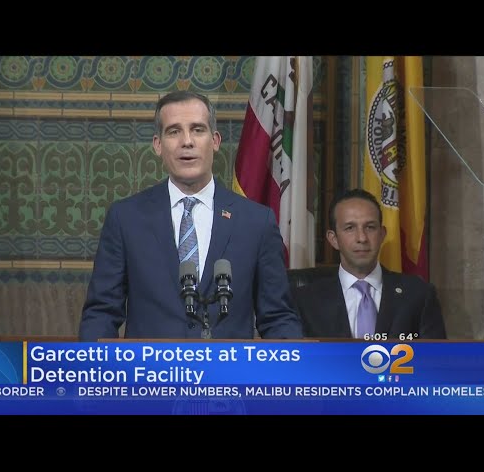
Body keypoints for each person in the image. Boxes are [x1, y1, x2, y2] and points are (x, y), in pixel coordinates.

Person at [80, 90, 303, 340]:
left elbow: (278, 318)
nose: (187, 141)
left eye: (197, 130)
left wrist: (294, 361)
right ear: (158, 145)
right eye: (174, 131)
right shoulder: (126, 218)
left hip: (227, 366)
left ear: (215, 140)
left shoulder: (256, 222)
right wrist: (94, 361)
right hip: (151, 365)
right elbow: (101, 314)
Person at [294, 188, 446, 339]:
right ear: (333, 239)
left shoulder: (419, 295)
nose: (362, 238)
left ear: (382, 234)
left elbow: (436, 354)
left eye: (370, 227)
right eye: (350, 228)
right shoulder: (304, 301)